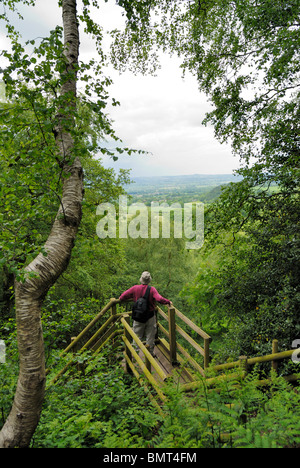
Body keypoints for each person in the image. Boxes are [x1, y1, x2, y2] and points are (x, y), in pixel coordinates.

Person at [119, 271, 172, 357]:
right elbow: (159, 299)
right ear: (149, 280)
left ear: (141, 279)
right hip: (150, 316)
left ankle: (135, 355)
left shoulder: (135, 288)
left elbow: (122, 296)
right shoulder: (152, 289)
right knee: (150, 336)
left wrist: (123, 298)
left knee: (136, 336)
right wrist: (168, 302)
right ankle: (150, 354)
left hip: (138, 316)